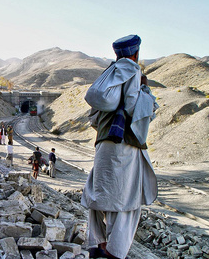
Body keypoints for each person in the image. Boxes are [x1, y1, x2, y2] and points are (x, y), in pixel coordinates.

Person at [81, 35, 158, 259]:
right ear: (135, 53)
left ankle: (98, 244)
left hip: (103, 146)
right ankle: (114, 253)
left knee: (99, 195)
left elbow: (94, 118)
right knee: (126, 200)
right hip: (123, 147)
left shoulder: (108, 77)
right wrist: (147, 93)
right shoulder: (132, 71)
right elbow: (135, 107)